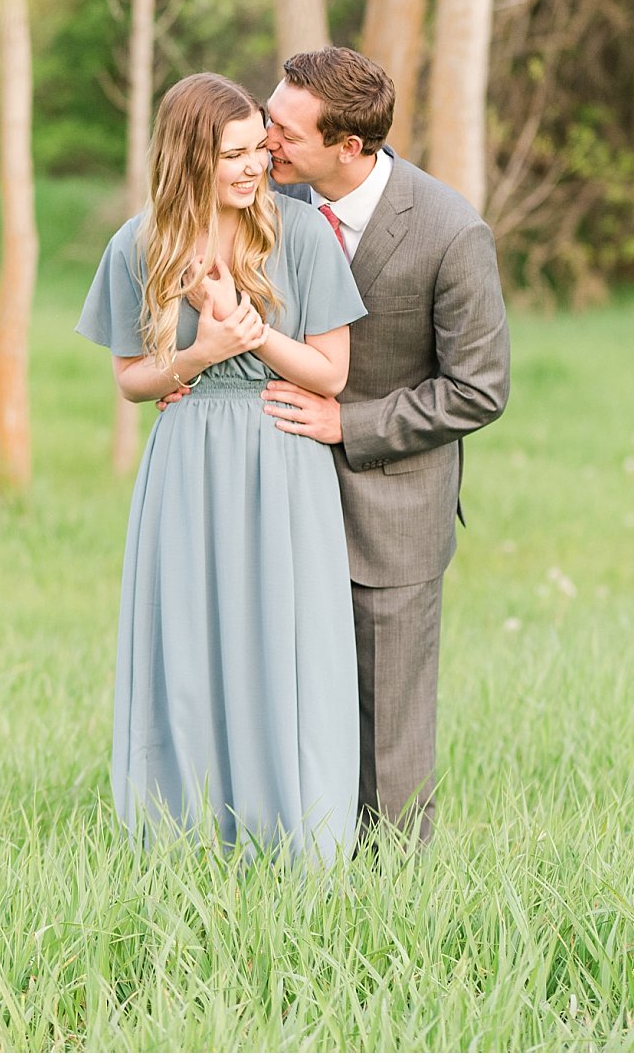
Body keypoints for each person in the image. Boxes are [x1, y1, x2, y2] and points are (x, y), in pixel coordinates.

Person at [76, 72, 368, 867]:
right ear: (190, 157)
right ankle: (183, 834)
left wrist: (247, 333)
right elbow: (133, 378)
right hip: (187, 462)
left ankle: (296, 837)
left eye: (256, 148)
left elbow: (332, 374)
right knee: (190, 638)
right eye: (232, 153)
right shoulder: (140, 245)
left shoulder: (301, 236)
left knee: (285, 637)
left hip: (282, 454)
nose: (252, 166)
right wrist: (199, 353)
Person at [252, 45, 511, 849]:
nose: (266, 141)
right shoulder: (263, 205)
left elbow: (479, 388)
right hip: (276, 491)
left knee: (388, 737)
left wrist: (348, 425)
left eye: (285, 131)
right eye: (268, 117)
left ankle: (394, 900)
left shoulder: (450, 232)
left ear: (349, 147)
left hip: (393, 514)